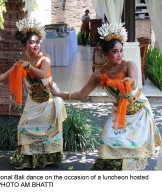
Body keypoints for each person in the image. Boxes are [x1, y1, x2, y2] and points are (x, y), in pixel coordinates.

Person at [50, 23, 161, 170]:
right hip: (118, 112)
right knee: (108, 138)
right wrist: (59, 93)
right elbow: (81, 94)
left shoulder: (129, 65)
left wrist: (129, 82)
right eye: (115, 51)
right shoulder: (98, 75)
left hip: (138, 111)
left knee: (132, 150)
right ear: (105, 53)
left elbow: (134, 83)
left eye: (121, 50)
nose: (120, 54)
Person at [0, 17, 67, 169]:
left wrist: (29, 67)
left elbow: (44, 74)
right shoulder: (21, 63)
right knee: (23, 128)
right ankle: (28, 159)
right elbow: (5, 76)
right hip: (32, 104)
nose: (35, 45)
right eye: (31, 42)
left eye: (37, 41)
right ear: (24, 44)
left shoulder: (45, 58)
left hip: (47, 103)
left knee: (47, 133)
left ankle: (46, 158)